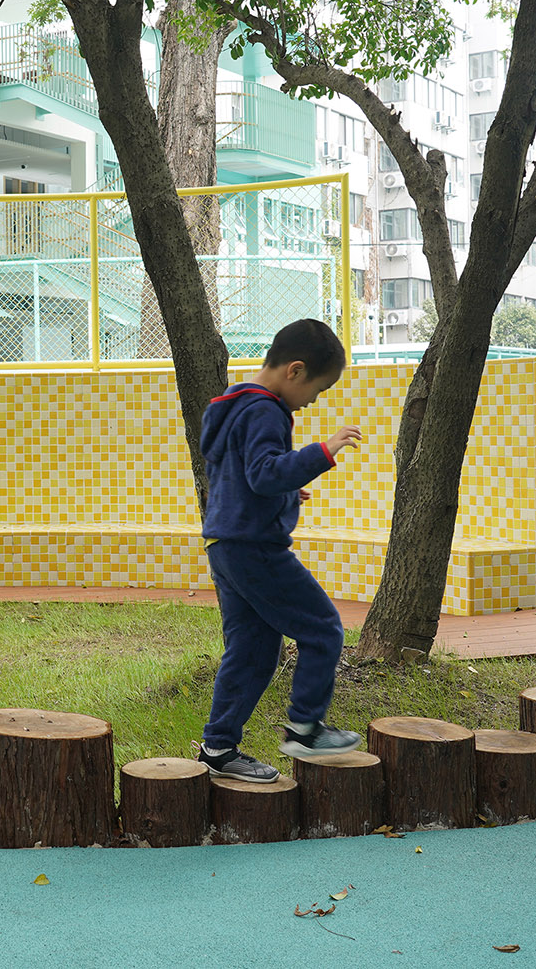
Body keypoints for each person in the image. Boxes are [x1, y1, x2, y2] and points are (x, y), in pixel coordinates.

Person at [195, 318, 363, 783]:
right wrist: (320, 453)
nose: (314, 400)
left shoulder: (232, 404)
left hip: (225, 544)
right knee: (323, 628)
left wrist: (287, 494)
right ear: (294, 371)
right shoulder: (266, 411)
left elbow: (243, 476)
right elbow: (265, 473)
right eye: (317, 388)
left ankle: (218, 748)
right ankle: (306, 729)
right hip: (256, 549)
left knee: (252, 650)